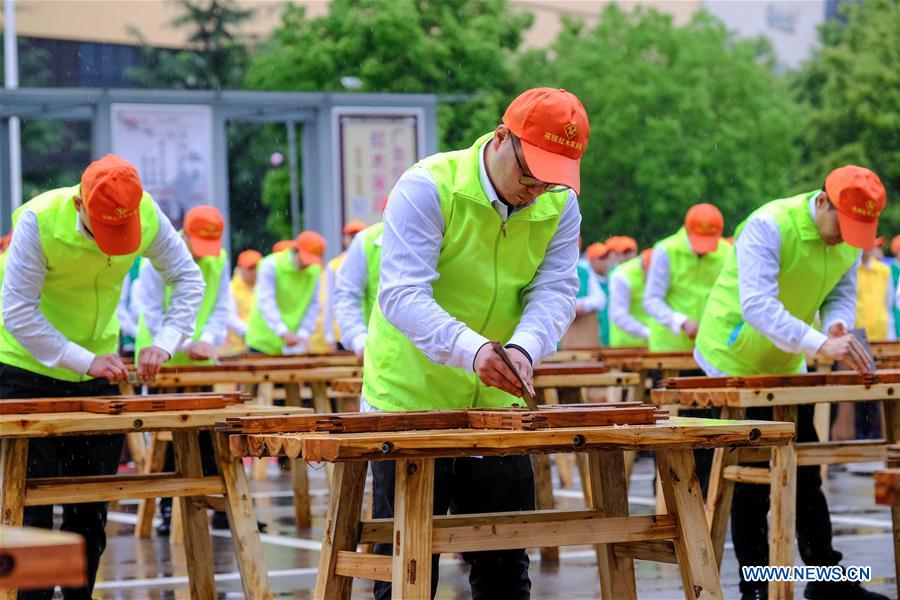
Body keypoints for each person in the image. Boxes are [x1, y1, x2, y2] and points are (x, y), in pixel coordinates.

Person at [363, 87, 588, 598]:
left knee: (506, 564)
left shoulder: (560, 202)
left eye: (554, 178)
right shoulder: (428, 186)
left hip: (498, 403)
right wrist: (472, 349)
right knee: (407, 571)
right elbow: (401, 293)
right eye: (530, 175)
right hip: (410, 399)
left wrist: (525, 350)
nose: (537, 190)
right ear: (502, 137)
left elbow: (555, 289)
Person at [0, 154, 204, 598]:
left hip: (99, 369)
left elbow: (188, 278)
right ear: (80, 206)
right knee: (31, 508)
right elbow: (16, 311)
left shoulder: (147, 211)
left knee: (90, 507)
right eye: (101, 232)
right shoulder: (40, 220)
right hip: (26, 368)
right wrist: (81, 359)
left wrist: (166, 340)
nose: (110, 244)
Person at [694, 165, 889, 600]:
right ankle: (757, 590)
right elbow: (757, 305)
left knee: (806, 475)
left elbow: (841, 292)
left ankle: (828, 582)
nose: (847, 239)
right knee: (748, 484)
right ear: (823, 202)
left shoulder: (849, 241)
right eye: (844, 225)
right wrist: (821, 344)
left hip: (786, 360)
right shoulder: (769, 225)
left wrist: (837, 325)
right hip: (731, 359)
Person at [135, 205, 230, 366]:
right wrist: (187, 345)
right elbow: (153, 314)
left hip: (200, 361)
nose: (203, 253)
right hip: (157, 356)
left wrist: (207, 340)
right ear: (185, 234)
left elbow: (221, 306)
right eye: (199, 243)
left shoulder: (219, 260)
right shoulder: (154, 260)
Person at [644, 203, 728, 352]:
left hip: (711, 348)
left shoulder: (728, 251)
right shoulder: (666, 250)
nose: (703, 249)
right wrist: (681, 322)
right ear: (686, 230)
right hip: (669, 347)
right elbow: (652, 300)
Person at [245, 231, 325, 355]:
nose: (306, 264)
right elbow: (266, 301)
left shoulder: (314, 270)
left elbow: (313, 304)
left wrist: (303, 333)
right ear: (295, 250)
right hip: (263, 342)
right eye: (305, 259)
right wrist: (282, 331)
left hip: (293, 345)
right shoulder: (270, 264)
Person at [310, 220, 368, 353]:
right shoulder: (334, 265)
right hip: (341, 334)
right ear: (345, 238)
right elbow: (329, 302)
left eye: (357, 235)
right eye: (351, 235)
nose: (354, 239)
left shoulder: (371, 258)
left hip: (367, 332)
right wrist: (330, 337)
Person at [334, 221, 385, 358]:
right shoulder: (365, 242)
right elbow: (344, 296)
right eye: (349, 235)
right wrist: (359, 339)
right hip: (378, 353)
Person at [221, 249, 262, 356]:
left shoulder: (263, 287)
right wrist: (252, 333)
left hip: (260, 347)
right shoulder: (230, 288)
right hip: (235, 351)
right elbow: (230, 318)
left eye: (257, 268)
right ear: (240, 268)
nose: (255, 272)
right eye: (250, 268)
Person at [609, 248, 653, 347]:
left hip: (656, 344)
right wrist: (648, 333)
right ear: (645, 267)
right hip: (627, 346)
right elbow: (618, 315)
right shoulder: (622, 276)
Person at [586, 241, 613, 345]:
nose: (606, 261)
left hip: (610, 338)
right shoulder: (586, 280)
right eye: (601, 258)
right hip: (592, 338)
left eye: (607, 257)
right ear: (592, 261)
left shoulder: (613, 279)